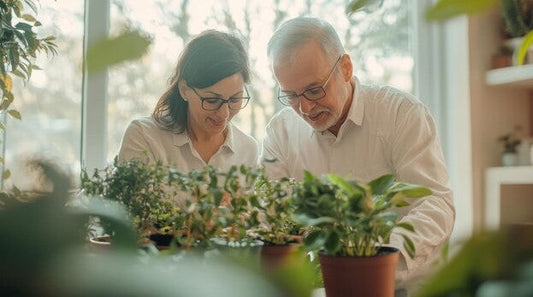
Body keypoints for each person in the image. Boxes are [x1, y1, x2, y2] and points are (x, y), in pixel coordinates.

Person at [262, 17, 455, 291]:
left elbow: (434, 204)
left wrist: (376, 261)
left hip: (406, 288)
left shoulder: (402, 114)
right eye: (291, 96)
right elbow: (272, 215)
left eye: (314, 90)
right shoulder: (281, 132)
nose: (305, 108)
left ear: (345, 68)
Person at [118, 30, 259, 173]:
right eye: (211, 100)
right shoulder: (144, 137)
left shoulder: (248, 150)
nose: (224, 114)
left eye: (235, 99)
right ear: (184, 89)